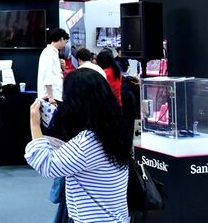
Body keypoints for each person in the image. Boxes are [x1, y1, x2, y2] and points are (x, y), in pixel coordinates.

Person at [25, 68, 132, 223]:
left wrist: (34, 123)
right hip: (114, 216)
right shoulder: (113, 130)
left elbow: (46, 165)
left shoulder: (87, 142)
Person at [37, 29, 69, 105]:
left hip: (55, 96)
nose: (65, 45)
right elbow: (47, 76)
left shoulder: (53, 53)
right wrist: (51, 97)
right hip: (50, 97)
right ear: (61, 39)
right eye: (65, 42)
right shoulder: (48, 52)